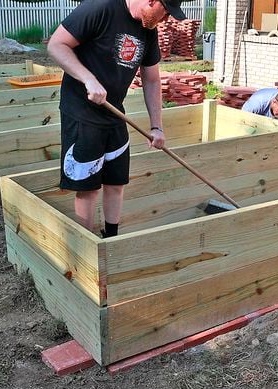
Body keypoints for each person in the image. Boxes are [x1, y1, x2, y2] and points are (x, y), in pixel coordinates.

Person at [47, 0, 185, 238]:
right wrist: (88, 79)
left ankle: (111, 238)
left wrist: (157, 127)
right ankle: (86, 246)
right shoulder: (101, 7)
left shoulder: (147, 29)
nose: (165, 21)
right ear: (152, 1)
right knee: (88, 188)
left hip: (114, 111)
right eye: (165, 13)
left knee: (116, 181)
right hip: (82, 111)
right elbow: (56, 45)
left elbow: (151, 79)